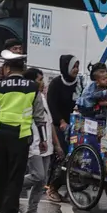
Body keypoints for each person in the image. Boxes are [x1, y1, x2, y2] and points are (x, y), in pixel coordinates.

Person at [0, 49, 48, 213]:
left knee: (1, 175)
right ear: (23, 68)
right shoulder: (32, 87)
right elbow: (40, 116)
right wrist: (44, 140)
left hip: (0, 135)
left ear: (7, 68)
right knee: (15, 178)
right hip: (21, 136)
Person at [22, 67, 62, 213]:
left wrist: (56, 145)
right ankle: (12, 184)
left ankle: (31, 212)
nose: (43, 83)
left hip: (46, 145)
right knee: (37, 176)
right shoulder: (27, 99)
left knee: (42, 180)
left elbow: (50, 122)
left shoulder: (42, 98)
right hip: (34, 145)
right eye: (39, 80)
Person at [44, 55, 80, 203]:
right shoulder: (56, 84)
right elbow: (51, 105)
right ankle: (52, 187)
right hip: (59, 125)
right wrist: (62, 121)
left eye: (77, 66)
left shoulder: (79, 83)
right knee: (62, 156)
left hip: (75, 124)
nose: (76, 70)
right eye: (74, 67)